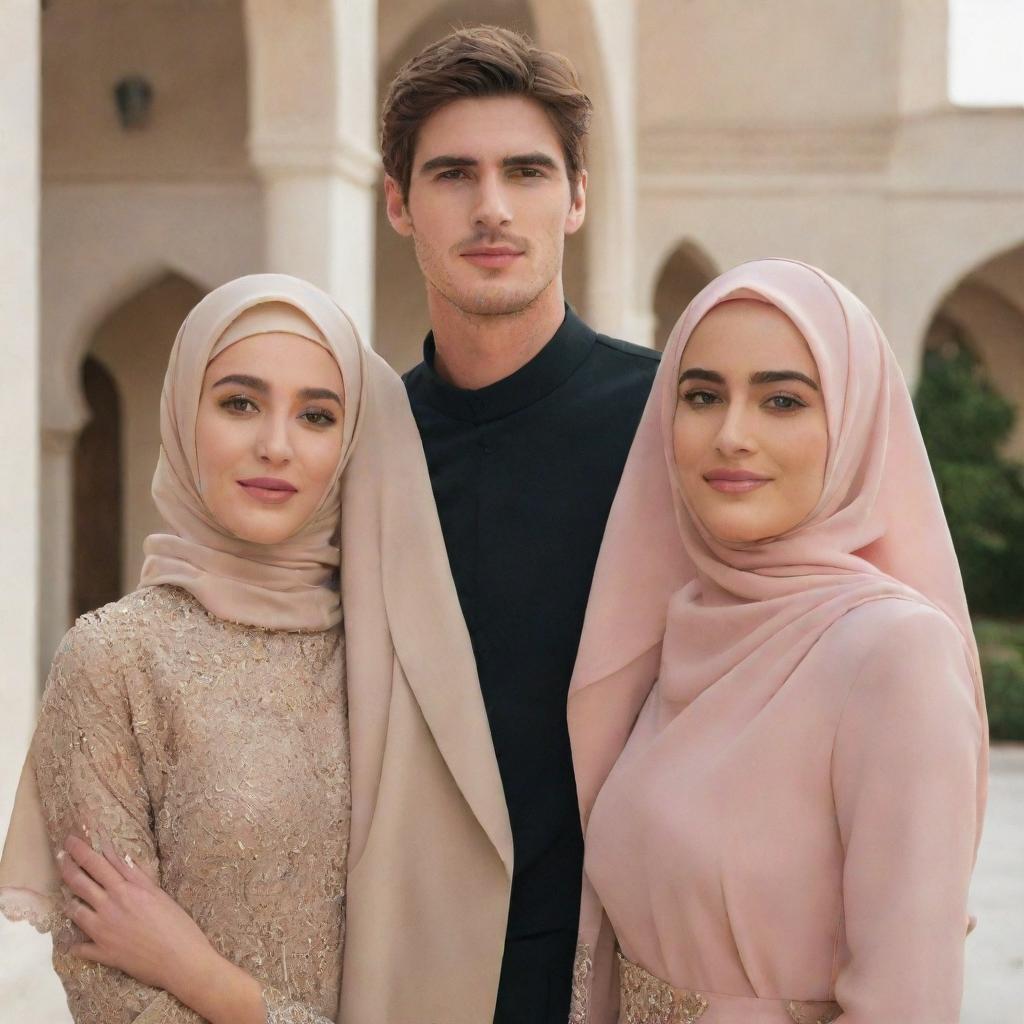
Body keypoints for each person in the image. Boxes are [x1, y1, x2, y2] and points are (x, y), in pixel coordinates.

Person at [0, 273, 501, 1023]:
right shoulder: (114, 661)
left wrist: (201, 975)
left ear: (351, 442)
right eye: (239, 403)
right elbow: (109, 993)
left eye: (317, 416)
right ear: (183, 414)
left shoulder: (396, 653)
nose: (275, 446)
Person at [567, 259, 988, 1023]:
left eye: (783, 400)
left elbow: (906, 1003)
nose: (732, 435)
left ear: (855, 423)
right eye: (701, 396)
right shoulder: (689, 622)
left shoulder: (895, 655)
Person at [381, 25, 660, 1023]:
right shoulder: (364, 446)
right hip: (398, 978)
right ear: (399, 203)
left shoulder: (672, 423)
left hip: (632, 977)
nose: (492, 206)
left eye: (526, 172)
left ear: (576, 197)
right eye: (453, 172)